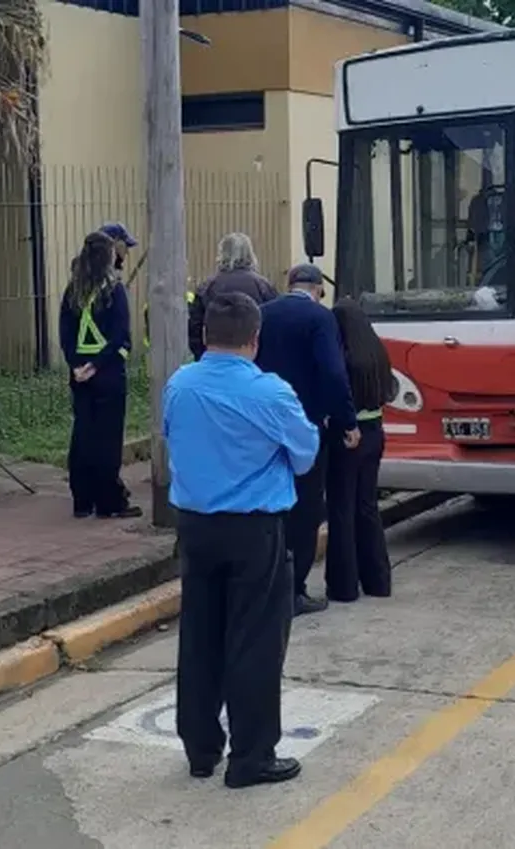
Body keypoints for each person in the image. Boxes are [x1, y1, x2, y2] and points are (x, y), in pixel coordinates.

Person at [165, 291, 319, 789]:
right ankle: (251, 756)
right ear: (255, 340)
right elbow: (305, 454)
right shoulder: (270, 393)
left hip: (195, 525)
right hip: (253, 528)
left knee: (200, 636)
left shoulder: (179, 385)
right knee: (254, 641)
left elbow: (173, 436)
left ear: (205, 335)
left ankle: (199, 748)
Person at [255, 263, 359, 616]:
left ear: (289, 284)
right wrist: (347, 419)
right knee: (306, 508)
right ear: (318, 290)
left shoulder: (263, 314)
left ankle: (266, 581)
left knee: (271, 503)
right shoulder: (319, 318)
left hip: (265, 425)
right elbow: (333, 372)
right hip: (307, 425)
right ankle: (294, 589)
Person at [59, 232, 142, 519]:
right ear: (109, 257)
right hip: (107, 374)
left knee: (83, 434)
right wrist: (96, 365)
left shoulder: (74, 290)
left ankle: (81, 501)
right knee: (107, 439)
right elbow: (120, 336)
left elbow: (65, 334)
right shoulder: (113, 291)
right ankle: (109, 502)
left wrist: (76, 365)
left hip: (79, 374)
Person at [323, 297, 396, 602]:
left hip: (347, 435)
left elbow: (337, 393)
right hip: (375, 432)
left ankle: (344, 586)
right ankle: (378, 580)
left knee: (341, 509)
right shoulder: (376, 353)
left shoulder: (344, 357)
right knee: (367, 507)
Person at [188, 232, 277, 360]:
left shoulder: (207, 288)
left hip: (216, 362)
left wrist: (203, 357)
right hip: (255, 363)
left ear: (221, 254)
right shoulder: (264, 287)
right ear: (251, 254)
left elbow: (195, 330)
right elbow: (273, 327)